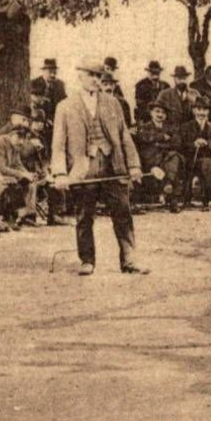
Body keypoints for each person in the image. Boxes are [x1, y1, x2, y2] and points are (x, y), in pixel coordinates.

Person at [50, 58, 146, 276]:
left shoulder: (113, 103)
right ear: (79, 76)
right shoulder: (65, 107)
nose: (95, 80)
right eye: (90, 75)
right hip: (83, 171)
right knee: (84, 216)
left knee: (123, 211)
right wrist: (60, 173)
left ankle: (129, 259)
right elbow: (58, 144)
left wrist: (133, 165)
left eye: (98, 76)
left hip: (114, 167)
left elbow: (124, 136)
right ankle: (87, 260)